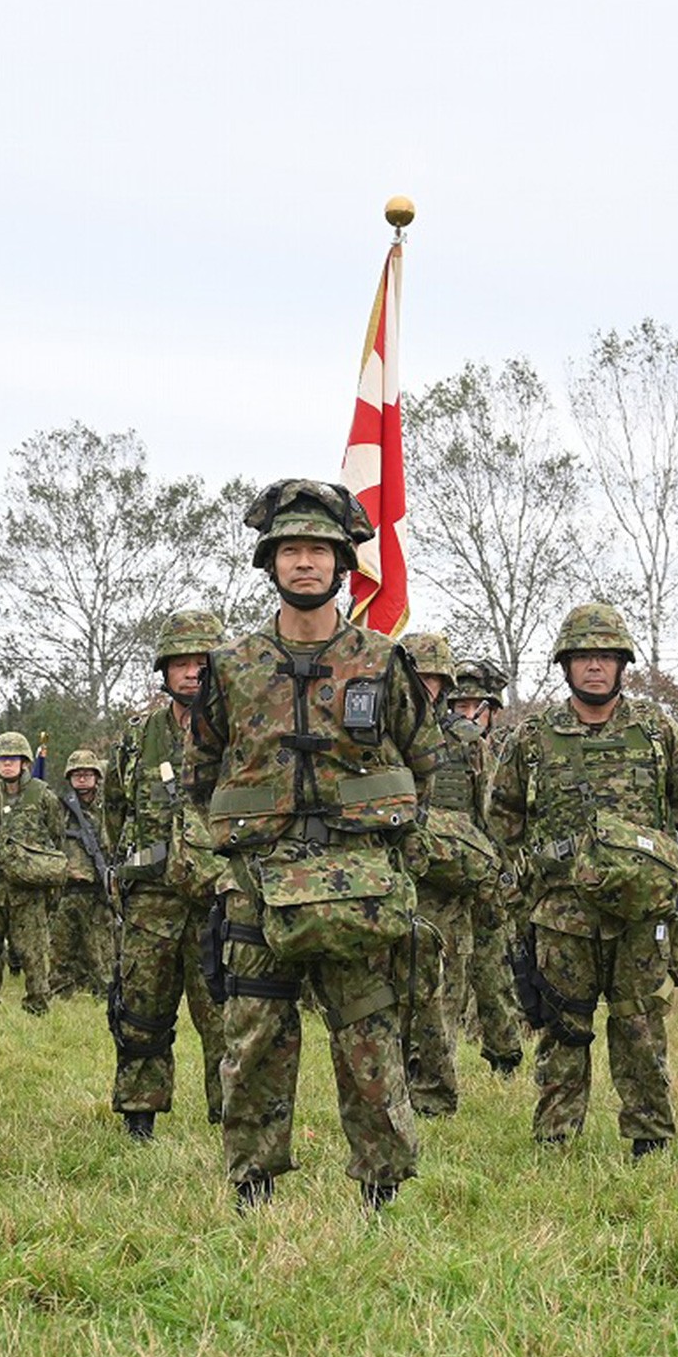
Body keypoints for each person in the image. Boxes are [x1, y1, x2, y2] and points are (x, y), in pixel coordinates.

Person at [189, 480, 437, 1209]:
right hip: (260, 881)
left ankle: (381, 1187)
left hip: (358, 881)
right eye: (291, 551)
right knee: (255, 1037)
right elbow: (203, 769)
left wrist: (395, 854)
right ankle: (253, 1183)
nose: (305, 564)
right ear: (270, 564)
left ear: (342, 565)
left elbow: (424, 762)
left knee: (368, 1038)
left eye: (319, 552)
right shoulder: (231, 668)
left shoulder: (382, 661)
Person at [489, 602, 678, 1158]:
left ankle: (649, 1137)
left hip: (640, 914)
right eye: (584, 657)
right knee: (564, 1028)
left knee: (640, 1025)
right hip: (562, 913)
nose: (595, 667)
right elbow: (502, 811)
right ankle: (555, 1138)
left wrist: (666, 864)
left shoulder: (656, 731)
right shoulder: (535, 736)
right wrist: (533, 871)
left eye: (606, 657)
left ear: (622, 665)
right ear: (566, 665)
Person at [107, 609, 228, 1141]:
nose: (192, 672)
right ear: (164, 670)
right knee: (142, 1010)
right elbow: (115, 809)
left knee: (225, 1014)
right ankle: (140, 1113)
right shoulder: (137, 738)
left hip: (219, 899)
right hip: (151, 898)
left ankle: (231, 1116)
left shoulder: (239, 733)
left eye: (203, 662)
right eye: (181, 662)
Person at [397, 630, 484, 1116]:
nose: (424, 688)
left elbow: (491, 816)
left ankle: (434, 1096)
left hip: (448, 892)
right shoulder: (377, 734)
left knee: (442, 999)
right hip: (393, 885)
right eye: (416, 678)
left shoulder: (468, 743)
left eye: (433, 680)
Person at [444, 656, 524, 1075]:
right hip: (449, 872)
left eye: (475, 705)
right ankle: (439, 1061)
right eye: (458, 706)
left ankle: (504, 1055)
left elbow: (502, 817)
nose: (466, 714)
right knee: (447, 974)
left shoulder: (505, 750)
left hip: (490, 876)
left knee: (492, 972)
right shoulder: (444, 748)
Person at [0, 732, 64, 1015]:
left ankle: (37, 1006)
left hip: (28, 889)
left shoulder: (43, 796)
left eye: (13, 759)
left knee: (34, 953)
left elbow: (55, 841)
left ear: (25, 762)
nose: (7, 764)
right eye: (2, 759)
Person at [49, 750, 113, 1000]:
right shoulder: (59, 808)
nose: (83, 780)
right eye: (77, 775)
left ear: (97, 777)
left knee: (101, 946)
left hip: (100, 889)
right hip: (68, 887)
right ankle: (60, 992)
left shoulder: (108, 808)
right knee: (61, 946)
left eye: (87, 774)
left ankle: (104, 993)